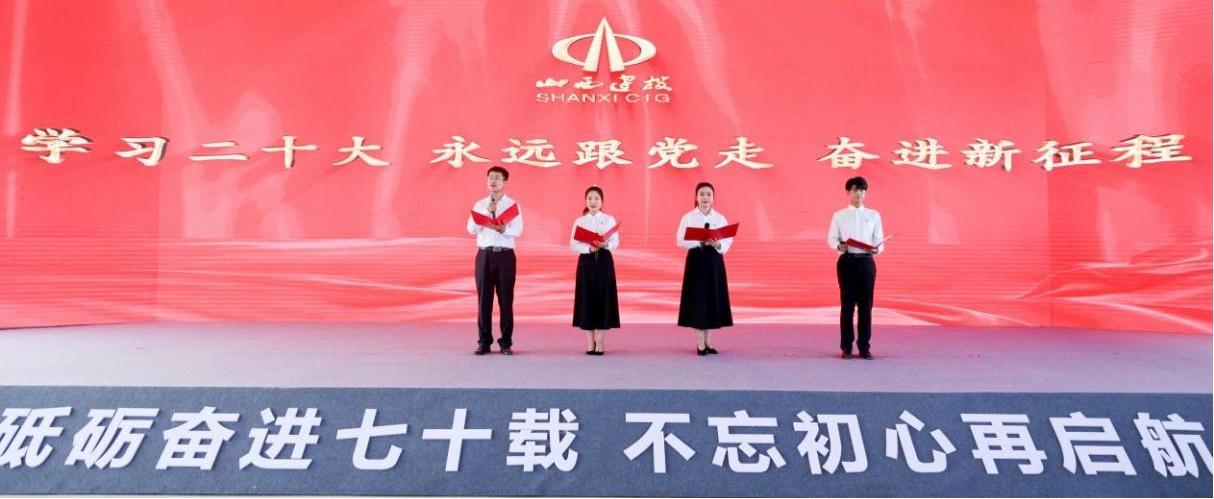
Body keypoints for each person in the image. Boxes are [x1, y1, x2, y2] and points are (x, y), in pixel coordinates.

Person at [466, 166, 523, 355]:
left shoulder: (513, 205)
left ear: (504, 182)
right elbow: (471, 229)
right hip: (485, 255)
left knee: (506, 300)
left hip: (505, 256)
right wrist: (486, 211)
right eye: (490, 177)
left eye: (497, 178)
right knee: (484, 301)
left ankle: (506, 342)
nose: (493, 181)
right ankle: (484, 342)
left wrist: (504, 230)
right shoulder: (480, 204)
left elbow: (518, 230)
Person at [826, 176, 885, 360]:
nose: (858, 193)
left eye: (861, 190)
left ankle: (864, 347)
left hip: (866, 263)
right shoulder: (839, 215)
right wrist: (839, 246)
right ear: (847, 192)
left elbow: (879, 240)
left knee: (866, 307)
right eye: (854, 190)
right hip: (847, 262)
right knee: (847, 306)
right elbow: (831, 238)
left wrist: (877, 249)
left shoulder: (874, 215)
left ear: (865, 193)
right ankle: (846, 347)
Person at [676, 182, 733, 355]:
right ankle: (700, 342)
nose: (705, 197)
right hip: (696, 260)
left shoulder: (720, 218)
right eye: (702, 194)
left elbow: (728, 240)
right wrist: (699, 241)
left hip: (714, 261)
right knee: (698, 299)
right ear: (696, 197)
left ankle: (709, 341)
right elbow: (680, 240)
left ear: (713, 198)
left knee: (711, 298)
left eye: (709, 194)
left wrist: (718, 244)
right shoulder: (688, 217)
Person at [569, 186, 621, 355]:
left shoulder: (609, 219)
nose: (593, 201)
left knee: (604, 298)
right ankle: (590, 342)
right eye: (590, 198)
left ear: (602, 201)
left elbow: (616, 242)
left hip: (604, 261)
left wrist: (606, 244)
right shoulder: (580, 221)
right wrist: (589, 249)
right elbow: (573, 244)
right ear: (585, 201)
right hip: (586, 261)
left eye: (596, 198)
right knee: (587, 299)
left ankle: (601, 341)